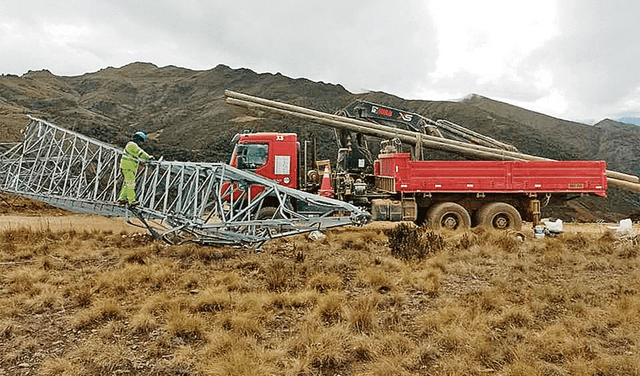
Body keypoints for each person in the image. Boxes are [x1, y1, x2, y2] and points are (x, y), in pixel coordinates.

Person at [118, 131, 153, 206]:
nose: (142, 142)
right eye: (141, 140)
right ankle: (131, 200)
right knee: (131, 183)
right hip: (128, 167)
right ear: (138, 139)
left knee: (127, 183)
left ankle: (122, 199)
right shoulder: (132, 145)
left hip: (127, 167)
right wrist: (148, 157)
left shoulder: (130, 145)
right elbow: (140, 152)